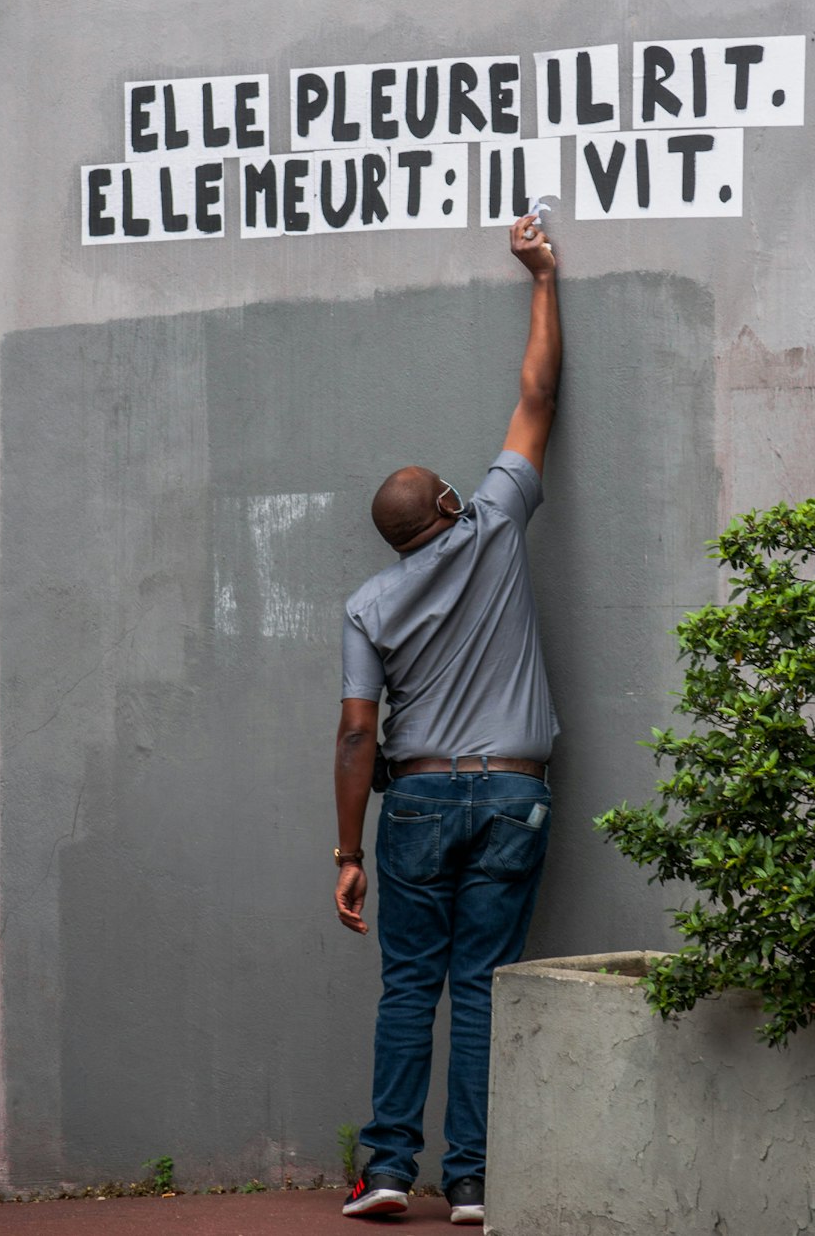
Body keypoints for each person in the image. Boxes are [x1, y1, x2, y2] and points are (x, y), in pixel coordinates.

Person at [333, 211, 562, 1225]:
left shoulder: (369, 605)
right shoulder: (498, 524)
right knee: (481, 986)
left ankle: (387, 1172)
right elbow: (536, 394)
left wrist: (347, 849)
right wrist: (542, 277)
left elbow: (353, 731)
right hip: (513, 791)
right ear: (447, 509)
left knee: (405, 989)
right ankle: (469, 1184)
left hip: (417, 798)